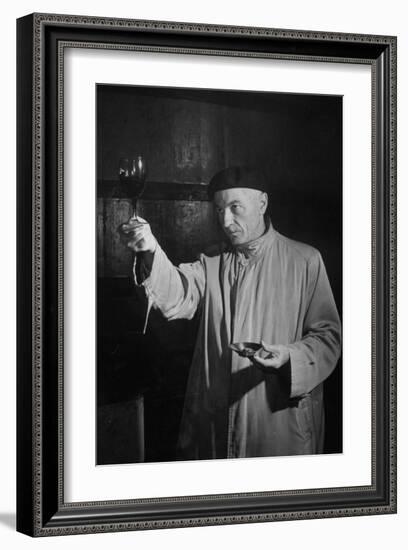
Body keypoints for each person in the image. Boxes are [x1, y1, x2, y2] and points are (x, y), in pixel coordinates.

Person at [119, 166, 341, 460]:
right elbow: (177, 294)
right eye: (219, 209)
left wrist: (288, 357)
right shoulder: (212, 261)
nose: (225, 220)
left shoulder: (305, 260)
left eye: (235, 207)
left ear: (262, 203)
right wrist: (149, 250)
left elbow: (328, 337)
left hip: (277, 420)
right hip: (216, 415)